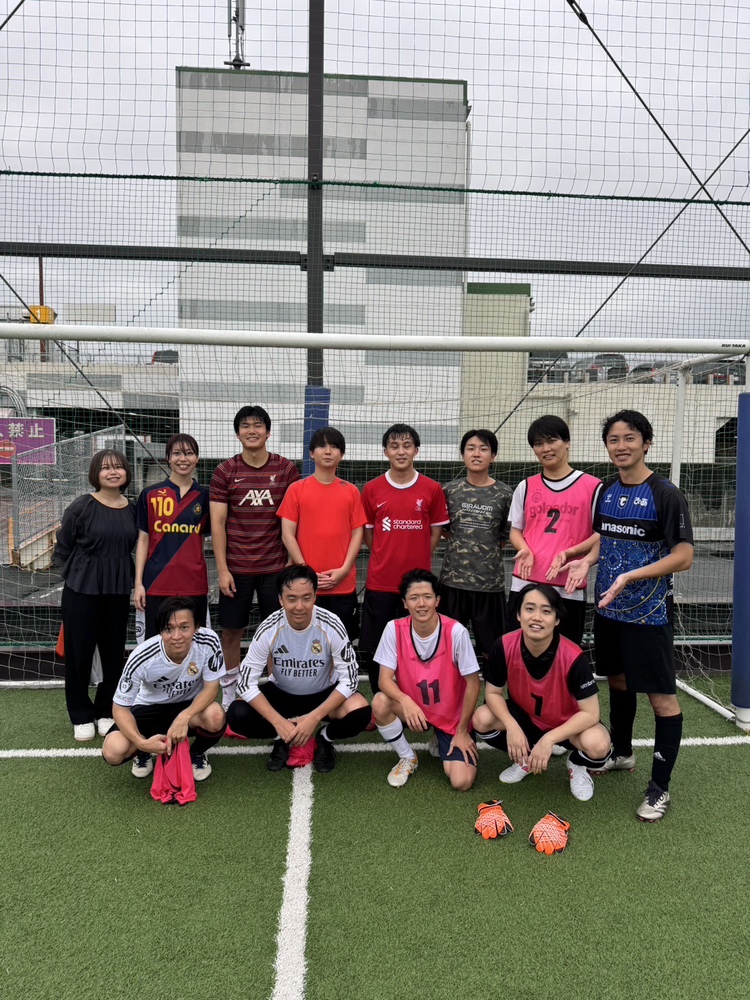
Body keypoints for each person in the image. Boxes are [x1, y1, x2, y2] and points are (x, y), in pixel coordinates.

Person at [561, 410, 694, 822]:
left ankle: (659, 789)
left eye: (630, 438)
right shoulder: (606, 489)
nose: (621, 446)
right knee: (617, 682)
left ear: (646, 443)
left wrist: (632, 575)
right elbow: (606, 536)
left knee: (661, 699)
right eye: (614, 440)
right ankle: (621, 752)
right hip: (608, 609)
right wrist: (585, 559)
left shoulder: (665, 494)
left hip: (647, 616)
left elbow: (684, 556)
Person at [226, 565, 371, 774]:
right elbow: (245, 683)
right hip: (282, 696)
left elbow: (350, 679)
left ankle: (324, 738)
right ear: (280, 599)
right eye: (292, 598)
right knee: (237, 713)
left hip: (322, 695)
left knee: (360, 711)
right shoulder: (269, 627)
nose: (299, 606)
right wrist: (278, 723)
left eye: (306, 598)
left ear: (315, 597)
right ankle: (281, 737)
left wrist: (314, 718)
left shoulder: (332, 624)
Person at [473, 583, 611, 801]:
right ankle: (525, 759)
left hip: (566, 725)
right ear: (518, 615)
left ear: (556, 619)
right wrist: (512, 727)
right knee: (481, 719)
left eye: (546, 611)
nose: (536, 617)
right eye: (529, 609)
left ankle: (576, 764)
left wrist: (549, 740)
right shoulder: (504, 645)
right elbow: (492, 693)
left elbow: (591, 713)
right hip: (526, 718)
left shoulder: (573, 656)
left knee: (599, 745)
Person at [210, 405, 300, 708]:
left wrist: (291, 561)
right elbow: (218, 524)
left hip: (276, 568)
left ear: (268, 432)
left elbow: (294, 518)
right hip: (237, 569)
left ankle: (276, 690)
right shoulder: (225, 471)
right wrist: (223, 569)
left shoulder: (286, 469)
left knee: (276, 633)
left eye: (258, 425)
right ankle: (230, 693)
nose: (252, 430)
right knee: (232, 631)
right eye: (246, 426)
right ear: (238, 433)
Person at [54, 449, 138, 742]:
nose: (113, 472)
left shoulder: (133, 509)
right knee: (79, 653)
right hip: (81, 590)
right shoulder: (81, 506)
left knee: (114, 653)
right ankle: (80, 714)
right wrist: (79, 572)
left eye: (118, 467)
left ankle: (106, 711)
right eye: (105, 468)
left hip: (118, 589)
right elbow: (63, 545)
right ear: (95, 474)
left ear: (126, 472)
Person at [372, 569, 481, 791]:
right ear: (405, 603)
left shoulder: (456, 632)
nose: (421, 604)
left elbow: (473, 683)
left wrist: (462, 731)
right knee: (380, 702)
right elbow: (384, 680)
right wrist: (405, 701)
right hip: (415, 710)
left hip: (450, 716)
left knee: (461, 782)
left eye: (427, 597)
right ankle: (407, 757)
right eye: (414, 598)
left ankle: (441, 736)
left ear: (437, 601)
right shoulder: (393, 629)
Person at [360, 424, 449, 693]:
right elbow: (369, 535)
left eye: (407, 446)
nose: (401, 451)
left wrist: (416, 554)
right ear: (385, 451)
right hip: (381, 582)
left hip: (418, 587)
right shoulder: (372, 489)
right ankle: (381, 701)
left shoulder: (432, 489)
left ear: (416, 451)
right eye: (395, 446)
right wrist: (386, 552)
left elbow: (435, 534)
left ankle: (416, 699)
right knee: (377, 647)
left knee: (418, 646)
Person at [102, 596, 227, 781]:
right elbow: (119, 709)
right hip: (148, 708)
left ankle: (197, 753)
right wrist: (141, 743)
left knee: (215, 716)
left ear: (196, 626)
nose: (176, 636)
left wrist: (184, 716)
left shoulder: (209, 641)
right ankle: (143, 752)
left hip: (188, 707)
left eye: (184, 627)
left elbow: (211, 688)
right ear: (160, 630)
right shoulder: (142, 656)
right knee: (113, 750)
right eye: (169, 629)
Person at [507, 414, 601, 645]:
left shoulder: (593, 487)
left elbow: (601, 535)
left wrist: (574, 554)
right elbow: (515, 530)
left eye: (552, 441)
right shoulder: (525, 486)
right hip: (526, 582)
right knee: (519, 650)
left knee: (565, 653)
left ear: (566, 442)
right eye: (538, 444)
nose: (546, 449)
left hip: (568, 585)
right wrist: (524, 549)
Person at [278, 426, 365, 641]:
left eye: (334, 447)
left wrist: (344, 570)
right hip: (303, 587)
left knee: (340, 642)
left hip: (342, 585)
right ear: (311, 453)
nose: (327, 451)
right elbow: (287, 534)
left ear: (341, 455)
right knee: (302, 642)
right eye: (322, 446)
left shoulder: (351, 491)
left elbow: (358, 534)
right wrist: (306, 571)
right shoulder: (297, 489)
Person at [440, 429, 512, 659]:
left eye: (483, 449)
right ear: (463, 454)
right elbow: (445, 531)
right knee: (448, 649)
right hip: (453, 583)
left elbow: (504, 538)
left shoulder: (505, 494)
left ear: (493, 456)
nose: (476, 454)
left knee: (493, 650)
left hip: (489, 585)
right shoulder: (449, 491)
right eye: (470, 448)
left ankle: (490, 685)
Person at [134, 433, 210, 639]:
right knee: (155, 643)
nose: (183, 459)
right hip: (156, 583)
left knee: (194, 643)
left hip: (194, 584)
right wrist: (139, 583)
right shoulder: (149, 494)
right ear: (168, 458)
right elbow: (143, 540)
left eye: (189, 453)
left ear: (197, 458)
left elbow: (214, 537)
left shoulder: (206, 497)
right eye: (176, 453)